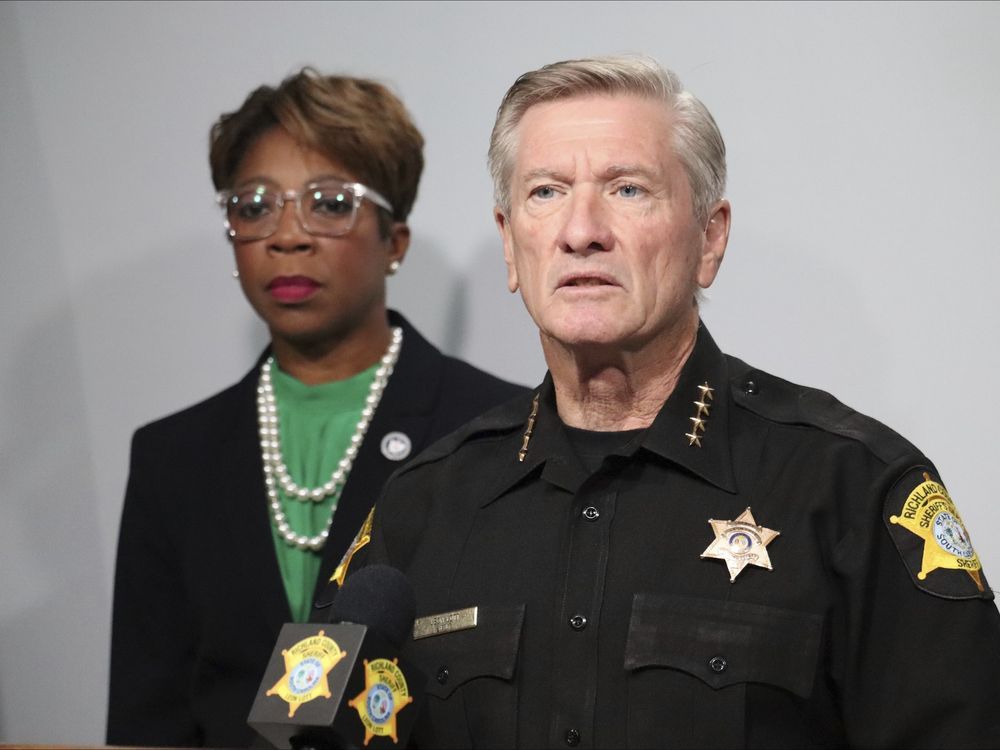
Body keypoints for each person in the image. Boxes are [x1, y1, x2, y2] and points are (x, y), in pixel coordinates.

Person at [320, 56, 1000, 748]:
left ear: (710, 238)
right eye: (547, 192)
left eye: (628, 190)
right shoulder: (419, 506)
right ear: (509, 243)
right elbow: (299, 725)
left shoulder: (856, 489)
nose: (581, 230)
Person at [106, 68, 527, 748]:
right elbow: (145, 717)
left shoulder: (500, 427)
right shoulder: (172, 456)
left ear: (395, 241)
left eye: (329, 203)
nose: (287, 235)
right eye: (254, 206)